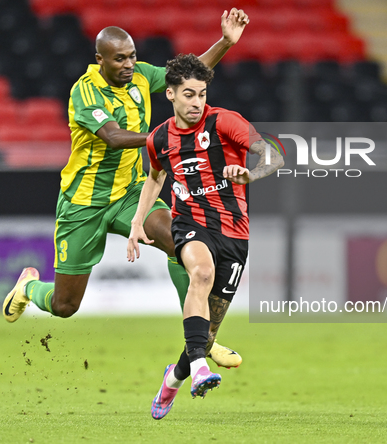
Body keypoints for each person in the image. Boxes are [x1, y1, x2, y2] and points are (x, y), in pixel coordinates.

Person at [2, 9, 250, 369]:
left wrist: (226, 41)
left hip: (132, 192)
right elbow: (114, 137)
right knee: (65, 306)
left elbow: (186, 77)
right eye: (120, 58)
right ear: (100, 59)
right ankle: (28, 287)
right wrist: (164, 139)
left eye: (132, 55)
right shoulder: (85, 92)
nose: (129, 64)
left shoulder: (140, 76)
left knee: (179, 239)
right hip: (84, 202)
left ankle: (202, 338)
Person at [126, 54, 284, 419]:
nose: (196, 102)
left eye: (201, 94)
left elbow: (274, 157)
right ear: (170, 95)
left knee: (208, 334)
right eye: (188, 95)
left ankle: (176, 376)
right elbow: (155, 177)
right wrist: (137, 223)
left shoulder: (224, 121)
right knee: (200, 273)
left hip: (235, 232)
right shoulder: (159, 138)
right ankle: (200, 369)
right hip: (190, 223)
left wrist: (249, 175)